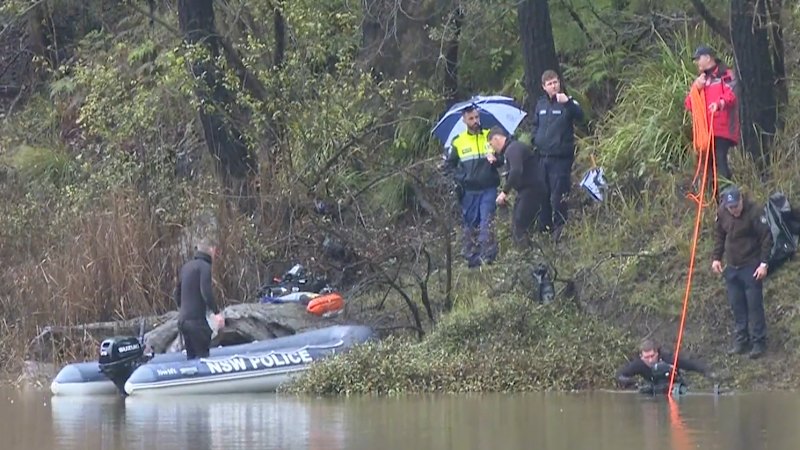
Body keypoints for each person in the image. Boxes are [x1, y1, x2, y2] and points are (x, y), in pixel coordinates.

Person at [712, 185, 772, 359]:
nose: (734, 210)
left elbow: (766, 238)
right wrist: (716, 258)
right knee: (736, 304)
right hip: (732, 267)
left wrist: (764, 264)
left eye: (736, 206)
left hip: (751, 266)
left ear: (741, 201)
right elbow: (719, 235)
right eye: (731, 208)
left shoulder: (754, 212)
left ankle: (758, 342)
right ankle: (741, 340)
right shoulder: (723, 212)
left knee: (754, 306)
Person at [444, 106, 504, 267]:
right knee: (470, 224)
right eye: (471, 118)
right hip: (469, 191)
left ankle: (488, 257)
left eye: (477, 117)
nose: (475, 121)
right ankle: (472, 258)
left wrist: (496, 160)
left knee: (487, 221)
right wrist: (460, 178)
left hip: (488, 187)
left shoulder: (488, 136)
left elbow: (503, 159)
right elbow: (449, 166)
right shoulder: (458, 141)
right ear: (464, 120)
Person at [530, 70, 584, 241]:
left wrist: (567, 103)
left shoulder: (568, 102)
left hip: (560, 158)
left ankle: (560, 231)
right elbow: (535, 124)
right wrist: (534, 139)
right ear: (544, 87)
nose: (553, 86)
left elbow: (581, 117)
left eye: (555, 82)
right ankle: (545, 229)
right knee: (542, 194)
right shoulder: (540, 105)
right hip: (542, 157)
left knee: (559, 195)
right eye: (550, 84)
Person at [684, 45, 739, 193]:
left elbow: (732, 94)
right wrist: (696, 88)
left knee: (721, 162)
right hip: (706, 134)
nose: (696, 63)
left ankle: (729, 196)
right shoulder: (700, 81)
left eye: (698, 59)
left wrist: (719, 104)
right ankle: (715, 202)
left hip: (723, 129)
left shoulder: (726, 75)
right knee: (707, 169)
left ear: (708, 58)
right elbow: (689, 104)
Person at [487, 126, 544, 249]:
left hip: (531, 190)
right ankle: (529, 253)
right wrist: (496, 162)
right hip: (526, 191)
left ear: (496, 139)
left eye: (491, 144)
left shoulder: (513, 149)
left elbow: (516, 170)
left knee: (520, 225)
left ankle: (527, 255)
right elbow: (507, 163)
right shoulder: (511, 149)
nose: (493, 149)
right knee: (517, 224)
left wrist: (504, 192)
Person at [174, 238, 225, 359]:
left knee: (191, 358)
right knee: (203, 357)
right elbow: (205, 291)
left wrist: (183, 310)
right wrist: (217, 313)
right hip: (196, 323)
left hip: (183, 321)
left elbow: (176, 293)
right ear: (212, 250)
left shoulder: (186, 267)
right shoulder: (204, 267)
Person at [616, 339, 715, 395]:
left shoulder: (668, 359)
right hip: (654, 391)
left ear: (657, 353)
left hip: (676, 389)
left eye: (652, 356)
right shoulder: (639, 364)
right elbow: (620, 375)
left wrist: (707, 373)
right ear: (641, 356)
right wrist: (634, 383)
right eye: (646, 357)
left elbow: (690, 365)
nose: (650, 360)